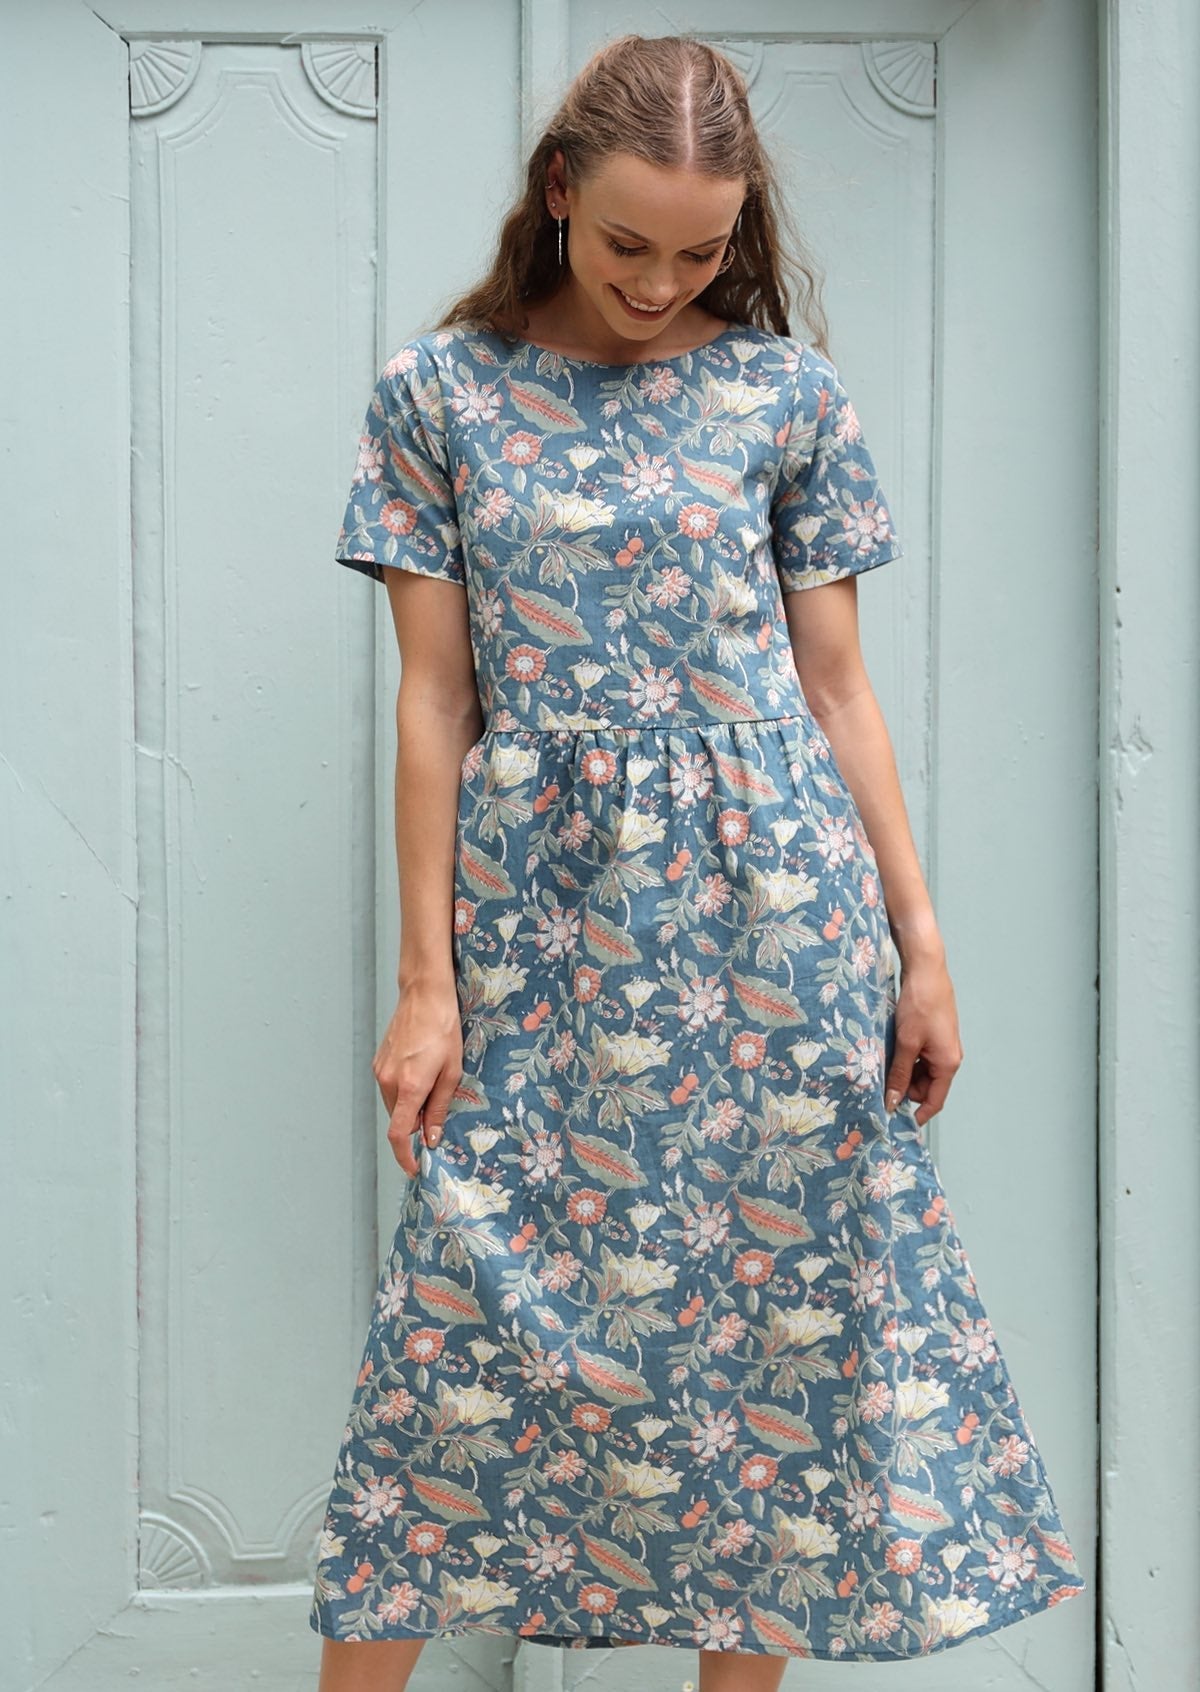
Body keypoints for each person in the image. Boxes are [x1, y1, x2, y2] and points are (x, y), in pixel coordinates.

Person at [309, 31, 1085, 1690]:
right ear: (557, 195)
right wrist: (425, 985)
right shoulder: (437, 394)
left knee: (781, 1336)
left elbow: (837, 689)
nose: (662, 282)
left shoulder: (786, 395)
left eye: (701, 250)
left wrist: (919, 939)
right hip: (538, 929)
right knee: (453, 1350)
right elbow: (435, 698)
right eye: (627, 244)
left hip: (779, 921)